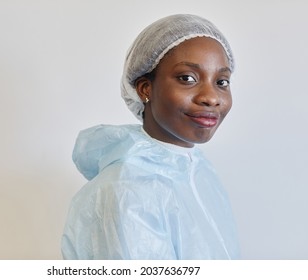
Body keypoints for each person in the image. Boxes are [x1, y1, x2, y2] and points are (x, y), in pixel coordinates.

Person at [61, 14, 240, 259]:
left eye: (222, 81)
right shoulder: (128, 190)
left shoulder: (198, 171)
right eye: (187, 78)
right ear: (145, 89)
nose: (211, 97)